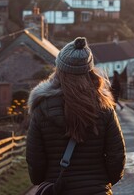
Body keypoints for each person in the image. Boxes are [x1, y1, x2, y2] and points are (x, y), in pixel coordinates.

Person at [26, 37, 126, 195]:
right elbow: (117, 156)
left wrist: (45, 181)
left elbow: (35, 161)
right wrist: (101, 182)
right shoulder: (104, 108)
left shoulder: (41, 110)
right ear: (90, 72)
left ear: (59, 70)